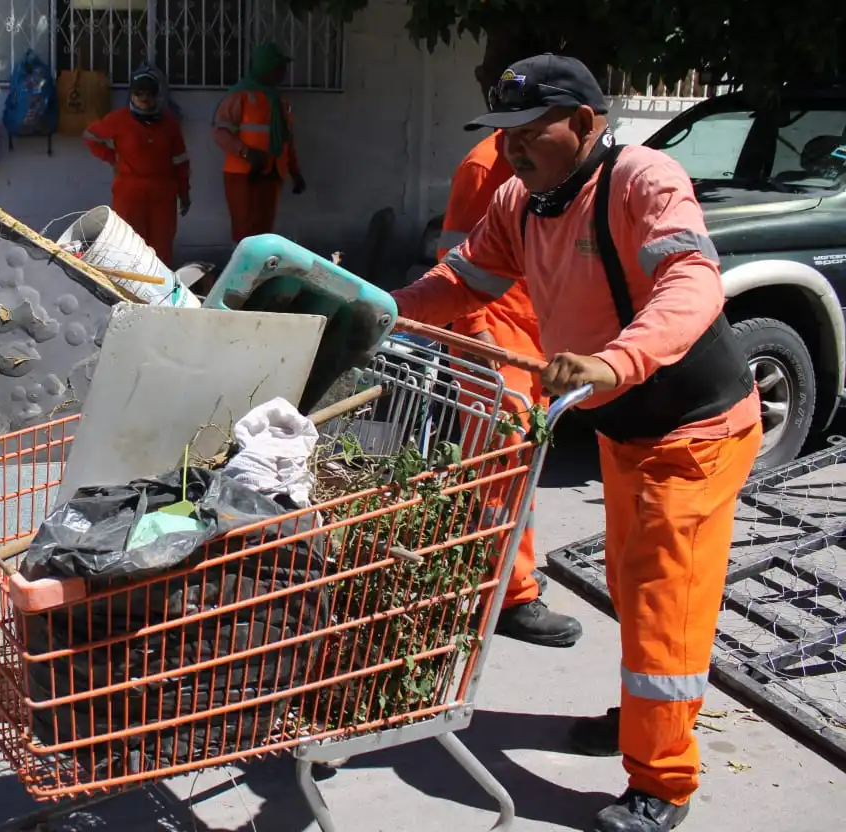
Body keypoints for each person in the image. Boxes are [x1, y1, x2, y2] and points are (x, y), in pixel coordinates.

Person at [393, 54, 761, 832]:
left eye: (532, 132)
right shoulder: (520, 203)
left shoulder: (643, 181)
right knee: (634, 592)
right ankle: (644, 724)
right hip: (626, 427)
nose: (515, 149)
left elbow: (692, 281)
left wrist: (611, 359)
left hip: (694, 427)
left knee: (665, 603)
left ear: (588, 123)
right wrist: (380, 310)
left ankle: (663, 782)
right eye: (506, 135)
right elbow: (462, 282)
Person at [439, 129, 584, 649]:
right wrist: (478, 339)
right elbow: (455, 262)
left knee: (523, 460)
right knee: (504, 466)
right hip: (494, 335)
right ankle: (509, 597)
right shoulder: (485, 166)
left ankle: (505, 573)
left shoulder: (557, 162)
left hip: (533, 329)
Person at [83, 65, 191, 266]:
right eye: (139, 93)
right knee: (128, 246)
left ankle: (159, 293)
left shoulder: (169, 123)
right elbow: (90, 136)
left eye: (149, 93)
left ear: (157, 96)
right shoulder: (119, 119)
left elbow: (181, 161)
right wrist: (112, 157)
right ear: (131, 95)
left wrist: (184, 192)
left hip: (163, 195)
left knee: (161, 249)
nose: (144, 98)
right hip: (129, 195)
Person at [212, 42, 306, 243]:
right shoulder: (239, 96)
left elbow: (287, 140)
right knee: (244, 232)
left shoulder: (280, 101)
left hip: (273, 173)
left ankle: (261, 274)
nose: (283, 73)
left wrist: (294, 171)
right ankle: (243, 273)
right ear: (264, 66)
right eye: (278, 67)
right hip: (244, 174)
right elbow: (220, 132)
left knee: (265, 233)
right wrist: (246, 153)